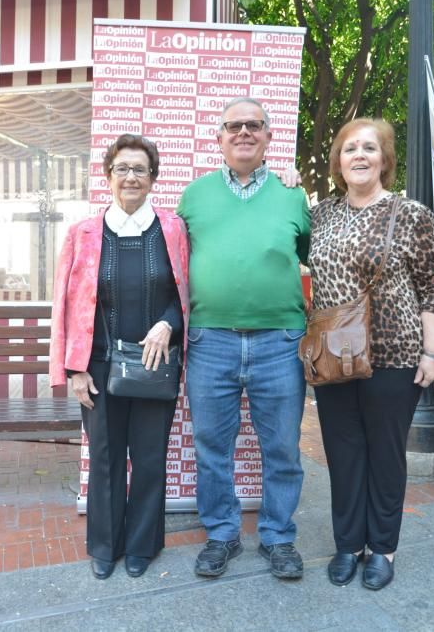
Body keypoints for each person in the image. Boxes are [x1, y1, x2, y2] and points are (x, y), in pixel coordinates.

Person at [308, 118, 434, 590]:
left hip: (393, 355)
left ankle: (382, 547)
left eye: (370, 148)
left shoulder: (409, 214)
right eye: (350, 149)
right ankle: (348, 544)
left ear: (385, 159)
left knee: (385, 455)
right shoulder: (323, 214)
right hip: (333, 356)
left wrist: (432, 354)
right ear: (339, 162)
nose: (360, 155)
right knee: (343, 453)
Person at [177, 97, 311, 580]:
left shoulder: (294, 196)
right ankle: (222, 534)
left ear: (269, 136)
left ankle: (277, 536)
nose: (244, 133)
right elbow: (173, 263)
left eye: (254, 125)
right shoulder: (193, 196)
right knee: (213, 446)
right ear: (219, 137)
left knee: (283, 448)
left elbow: (310, 256)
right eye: (233, 126)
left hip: (281, 343)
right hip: (211, 342)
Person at [49, 134, 189, 580]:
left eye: (140, 169)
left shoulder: (172, 229)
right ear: (108, 175)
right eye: (122, 168)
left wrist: (169, 323)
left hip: (155, 363)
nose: (131, 177)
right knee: (106, 458)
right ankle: (105, 547)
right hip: (98, 365)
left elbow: (187, 292)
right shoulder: (82, 233)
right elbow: (66, 304)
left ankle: (141, 546)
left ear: (153, 179)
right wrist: (73, 368)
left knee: (149, 458)